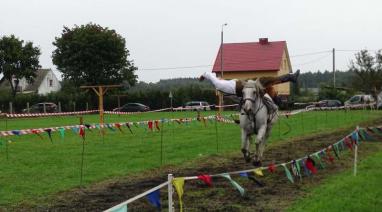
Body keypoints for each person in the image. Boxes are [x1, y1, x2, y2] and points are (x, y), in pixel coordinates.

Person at [199, 70, 300, 101]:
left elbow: (212, 75)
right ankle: (290, 77)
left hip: (240, 86)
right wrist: (202, 76)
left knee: (266, 82)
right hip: (240, 86)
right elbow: (207, 74)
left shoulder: (220, 83)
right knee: (265, 80)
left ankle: (276, 98)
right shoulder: (218, 84)